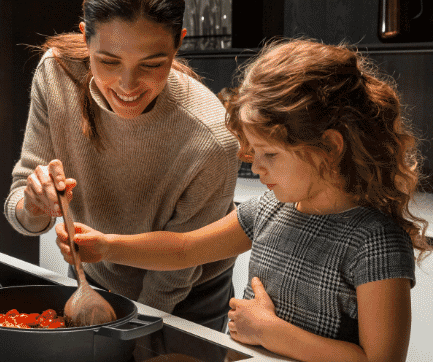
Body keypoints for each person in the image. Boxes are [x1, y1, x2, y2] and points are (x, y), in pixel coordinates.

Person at [57, 38, 433, 362]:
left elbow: (380, 360)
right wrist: (106, 246)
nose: (258, 170)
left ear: (330, 147)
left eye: (270, 155)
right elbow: (185, 249)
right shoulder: (271, 210)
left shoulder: (374, 241)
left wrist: (269, 332)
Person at [3, 0, 241, 334]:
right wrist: (34, 204)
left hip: (188, 295)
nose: (127, 86)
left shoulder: (211, 136)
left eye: (152, 64)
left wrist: (128, 335)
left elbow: (177, 266)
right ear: (86, 38)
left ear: (178, 44)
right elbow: (22, 215)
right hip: (95, 273)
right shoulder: (56, 75)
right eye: (108, 61)